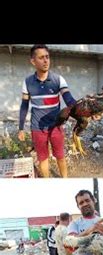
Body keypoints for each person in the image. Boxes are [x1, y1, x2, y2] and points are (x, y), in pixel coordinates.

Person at [18, 44, 77, 178]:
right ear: (33, 61)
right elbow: (24, 105)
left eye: (47, 57)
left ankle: (65, 181)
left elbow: (69, 99)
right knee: (42, 158)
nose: (46, 61)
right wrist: (21, 128)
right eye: (41, 58)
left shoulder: (58, 79)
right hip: (37, 128)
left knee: (60, 157)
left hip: (56, 126)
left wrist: (85, 111)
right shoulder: (27, 82)